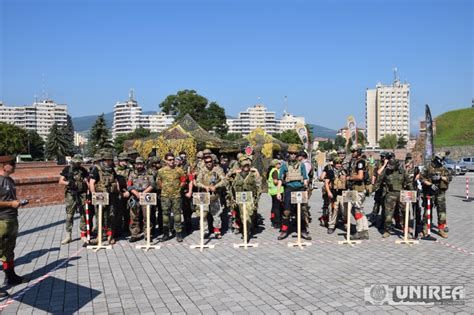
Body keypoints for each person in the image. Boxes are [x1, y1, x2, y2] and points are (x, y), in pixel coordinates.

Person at [0, 155, 26, 286]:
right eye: (12, 163)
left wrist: (16, 203)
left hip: (11, 219)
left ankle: (10, 276)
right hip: (2, 221)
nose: (15, 165)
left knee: (9, 250)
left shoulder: (9, 180)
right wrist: (10, 204)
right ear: (3, 166)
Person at [276, 144, 311, 240]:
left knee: (302, 211)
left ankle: (303, 230)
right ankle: (284, 230)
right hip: (289, 189)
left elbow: (305, 178)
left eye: (294, 153)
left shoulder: (302, 165)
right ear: (288, 154)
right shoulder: (284, 165)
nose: (292, 155)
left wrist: (306, 185)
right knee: (287, 211)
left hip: (300, 189)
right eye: (290, 153)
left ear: (297, 155)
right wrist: (278, 192)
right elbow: (280, 179)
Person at [89, 151, 120, 245]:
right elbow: (91, 183)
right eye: (109, 160)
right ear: (105, 160)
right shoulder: (96, 169)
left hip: (111, 196)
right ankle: (99, 236)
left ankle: (110, 236)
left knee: (111, 216)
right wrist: (94, 195)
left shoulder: (111, 169)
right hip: (100, 196)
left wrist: (118, 191)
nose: (111, 162)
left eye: (111, 160)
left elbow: (116, 180)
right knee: (100, 216)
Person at [376, 159, 412, 238]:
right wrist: (373, 189)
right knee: (388, 214)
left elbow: (409, 182)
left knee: (405, 213)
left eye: (392, 166)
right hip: (390, 194)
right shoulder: (386, 171)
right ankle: (387, 230)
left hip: (402, 194)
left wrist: (413, 193)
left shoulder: (402, 171)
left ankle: (406, 230)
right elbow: (379, 181)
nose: (390, 168)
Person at [58, 154, 89, 244]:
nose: (78, 164)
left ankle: (83, 235)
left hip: (81, 194)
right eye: (77, 162)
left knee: (83, 214)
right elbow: (61, 181)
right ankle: (68, 235)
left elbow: (87, 181)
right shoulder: (67, 169)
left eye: (79, 162)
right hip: (71, 194)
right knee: (69, 215)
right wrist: (70, 184)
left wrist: (88, 193)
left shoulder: (83, 170)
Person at [156, 153, 186, 242]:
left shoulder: (179, 170)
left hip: (176, 196)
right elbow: (158, 181)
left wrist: (179, 188)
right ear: (165, 160)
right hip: (165, 196)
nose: (172, 161)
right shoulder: (161, 171)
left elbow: (183, 180)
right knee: (165, 215)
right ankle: (166, 234)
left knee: (177, 215)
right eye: (169, 160)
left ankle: (178, 234)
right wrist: (165, 189)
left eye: (173, 159)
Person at [195, 155, 227, 239]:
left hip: (214, 195)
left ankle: (217, 230)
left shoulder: (218, 169)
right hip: (204, 195)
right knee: (203, 214)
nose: (208, 163)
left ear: (212, 161)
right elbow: (197, 182)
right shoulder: (202, 170)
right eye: (206, 162)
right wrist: (204, 187)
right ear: (204, 163)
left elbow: (224, 180)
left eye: (210, 161)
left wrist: (215, 186)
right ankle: (205, 231)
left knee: (216, 213)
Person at [420, 154, 452, 238]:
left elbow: (449, 178)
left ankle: (441, 229)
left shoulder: (443, 168)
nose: (441, 162)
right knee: (427, 212)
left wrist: (441, 177)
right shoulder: (428, 167)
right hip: (429, 192)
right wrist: (430, 184)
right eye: (440, 160)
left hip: (440, 193)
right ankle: (425, 230)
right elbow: (421, 178)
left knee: (442, 212)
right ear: (436, 159)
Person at [231, 157, 261, 241]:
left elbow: (259, 187)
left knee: (249, 215)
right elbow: (227, 181)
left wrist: (256, 199)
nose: (246, 167)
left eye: (247, 165)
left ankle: (247, 229)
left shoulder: (253, 174)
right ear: (241, 166)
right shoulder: (236, 175)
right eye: (244, 166)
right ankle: (246, 233)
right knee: (243, 216)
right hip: (240, 197)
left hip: (250, 197)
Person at [127, 157, 155, 242]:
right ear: (135, 164)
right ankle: (135, 234)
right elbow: (129, 185)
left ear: (143, 164)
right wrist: (136, 193)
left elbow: (152, 185)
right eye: (138, 164)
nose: (139, 165)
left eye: (141, 164)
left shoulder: (148, 173)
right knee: (134, 216)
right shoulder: (132, 174)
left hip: (146, 196)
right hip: (135, 196)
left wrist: (143, 193)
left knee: (147, 216)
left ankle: (148, 234)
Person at [346, 144, 369, 240]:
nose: (352, 153)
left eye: (354, 151)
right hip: (354, 189)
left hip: (359, 189)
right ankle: (364, 230)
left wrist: (349, 178)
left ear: (358, 151)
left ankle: (360, 231)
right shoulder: (354, 161)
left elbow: (360, 176)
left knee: (357, 209)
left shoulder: (360, 162)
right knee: (359, 209)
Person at [325, 157, 347, 234]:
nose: (338, 165)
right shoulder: (331, 172)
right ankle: (331, 226)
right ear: (334, 164)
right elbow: (326, 182)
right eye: (337, 163)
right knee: (333, 210)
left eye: (340, 163)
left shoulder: (345, 171)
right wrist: (328, 192)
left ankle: (346, 224)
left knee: (345, 210)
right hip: (334, 194)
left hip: (343, 193)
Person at [115, 152, 132, 237]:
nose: (125, 162)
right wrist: (120, 193)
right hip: (118, 193)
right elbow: (115, 182)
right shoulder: (115, 170)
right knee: (118, 212)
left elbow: (130, 181)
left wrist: (128, 191)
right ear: (119, 161)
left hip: (128, 192)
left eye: (126, 160)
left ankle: (127, 228)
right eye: (124, 160)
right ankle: (118, 229)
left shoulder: (129, 170)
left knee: (128, 212)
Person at [268, 159, 284, 229]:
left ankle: (273, 219)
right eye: (278, 164)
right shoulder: (275, 171)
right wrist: (282, 182)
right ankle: (277, 222)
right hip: (277, 191)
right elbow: (275, 181)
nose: (280, 165)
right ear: (275, 164)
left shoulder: (272, 170)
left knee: (274, 207)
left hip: (273, 191)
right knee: (277, 207)